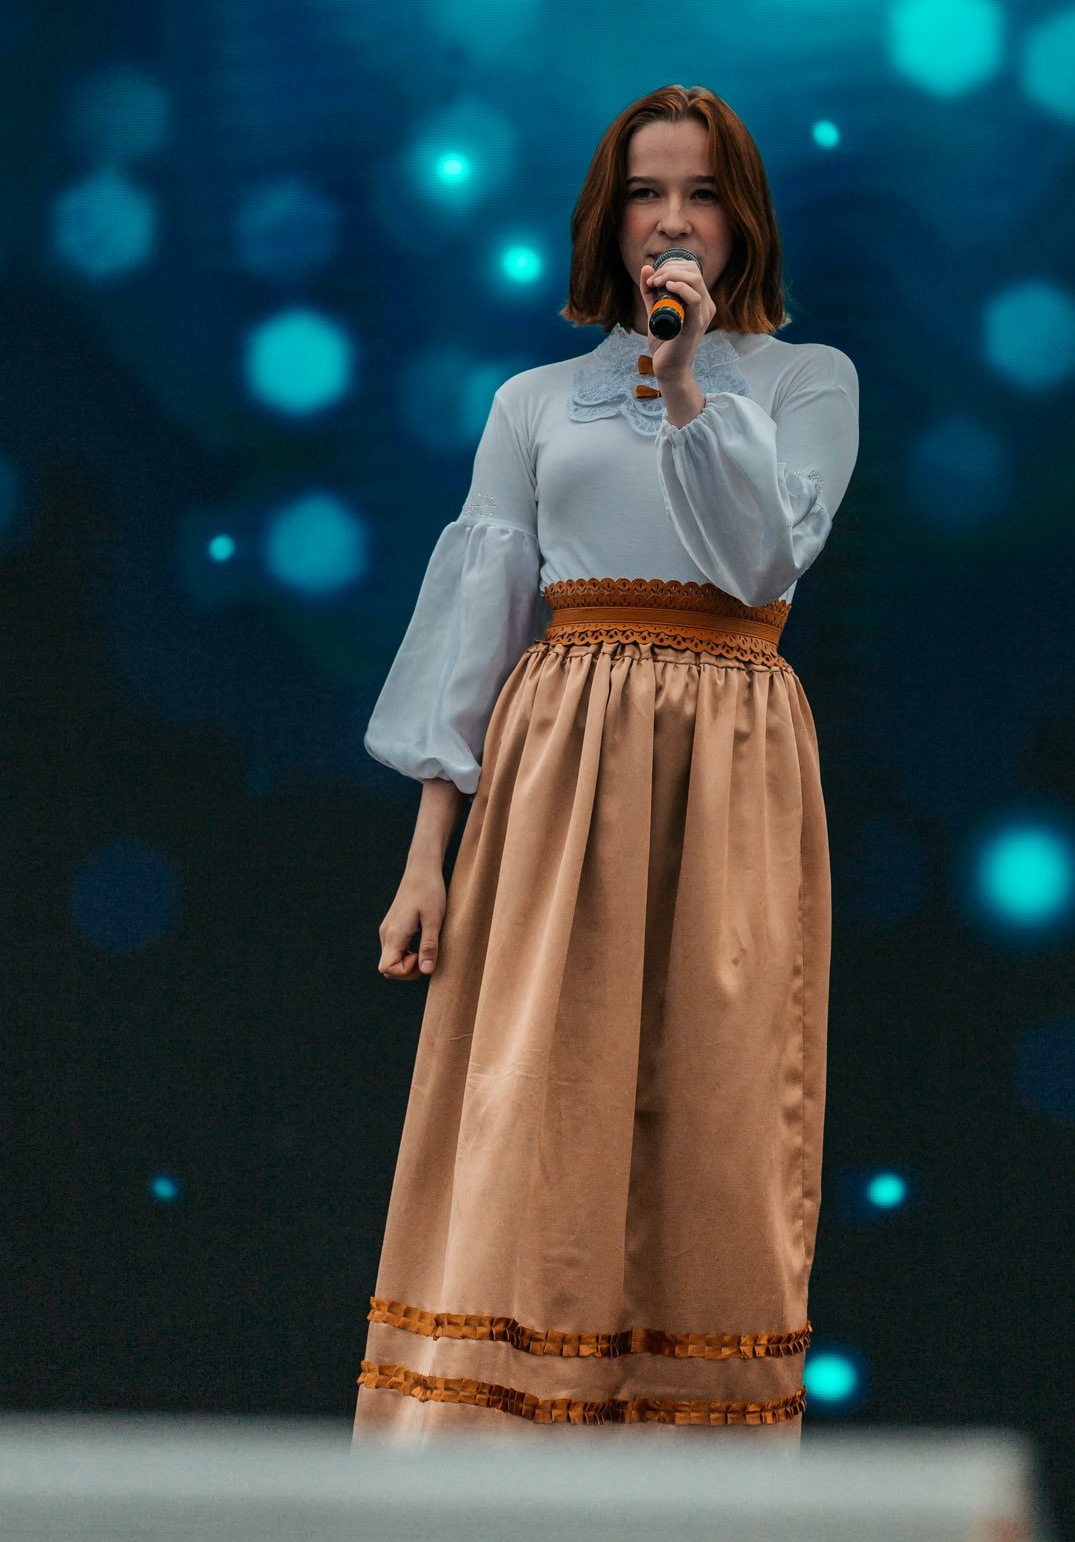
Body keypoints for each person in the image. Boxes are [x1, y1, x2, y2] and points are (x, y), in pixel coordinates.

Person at [352, 83, 859, 1441]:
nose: (671, 222)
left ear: (740, 218)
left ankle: (687, 1474)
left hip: (730, 760)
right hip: (558, 769)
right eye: (645, 193)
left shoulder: (808, 383)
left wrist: (687, 385)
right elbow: (477, 628)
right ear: (607, 216)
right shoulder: (531, 403)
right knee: (530, 1095)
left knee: (717, 1109)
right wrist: (425, 859)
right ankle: (486, 1456)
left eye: (699, 193)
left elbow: (763, 559)